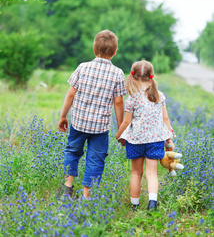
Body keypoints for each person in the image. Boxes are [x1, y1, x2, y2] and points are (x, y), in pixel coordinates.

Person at [58, 30, 127, 199]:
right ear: (115, 51)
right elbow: (118, 103)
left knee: (72, 152)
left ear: (94, 49)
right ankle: (86, 196)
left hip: (79, 122)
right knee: (96, 159)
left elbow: (70, 94)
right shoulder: (118, 73)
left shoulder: (82, 67)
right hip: (100, 128)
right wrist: (121, 130)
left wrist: (63, 116)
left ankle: (68, 187)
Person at [115, 60, 175, 212]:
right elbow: (165, 119)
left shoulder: (132, 98)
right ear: (151, 76)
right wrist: (169, 138)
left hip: (136, 141)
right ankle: (152, 204)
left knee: (136, 173)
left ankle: (134, 206)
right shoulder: (159, 96)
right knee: (152, 173)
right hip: (155, 140)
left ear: (133, 77)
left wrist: (118, 135)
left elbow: (126, 121)